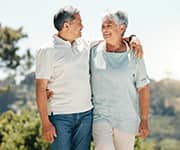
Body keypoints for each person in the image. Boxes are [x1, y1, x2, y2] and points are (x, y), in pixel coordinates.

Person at [36, 6, 143, 150]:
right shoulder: (47, 50)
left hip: (85, 115)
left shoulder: (85, 45)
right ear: (67, 26)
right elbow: (40, 88)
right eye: (79, 22)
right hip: (60, 116)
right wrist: (45, 123)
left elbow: (110, 38)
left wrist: (132, 38)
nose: (83, 26)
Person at [90, 9, 150, 150]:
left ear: (121, 27)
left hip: (126, 119)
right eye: (103, 26)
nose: (104, 29)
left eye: (109, 25)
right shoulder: (93, 50)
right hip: (100, 116)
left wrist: (144, 119)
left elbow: (143, 88)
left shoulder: (135, 53)